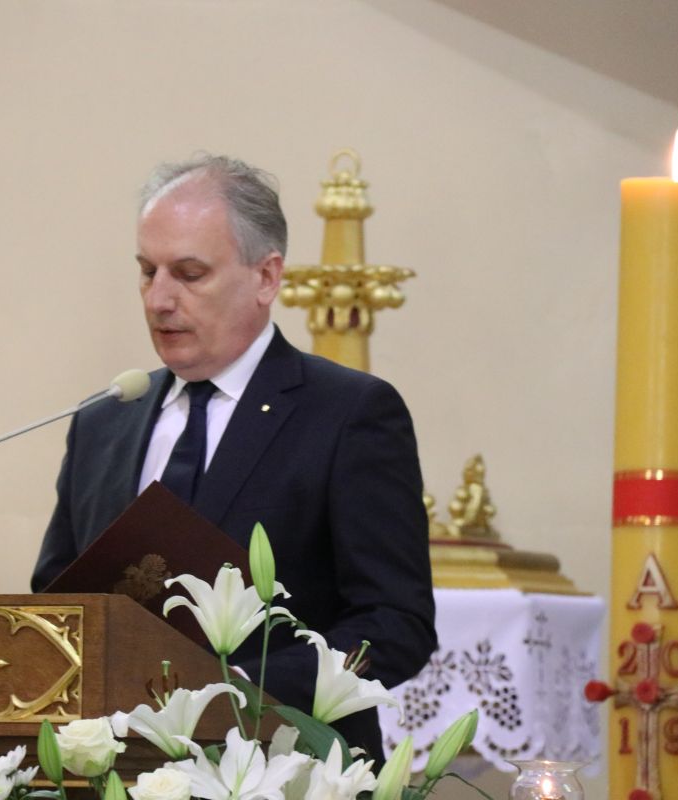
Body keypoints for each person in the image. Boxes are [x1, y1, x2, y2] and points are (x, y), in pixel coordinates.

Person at [31, 154, 435, 755]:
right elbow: (56, 602)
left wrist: (241, 693)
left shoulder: (348, 414)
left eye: (189, 274)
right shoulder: (104, 420)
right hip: (119, 768)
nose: (158, 299)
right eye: (147, 271)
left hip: (288, 766)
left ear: (266, 277)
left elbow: (394, 624)